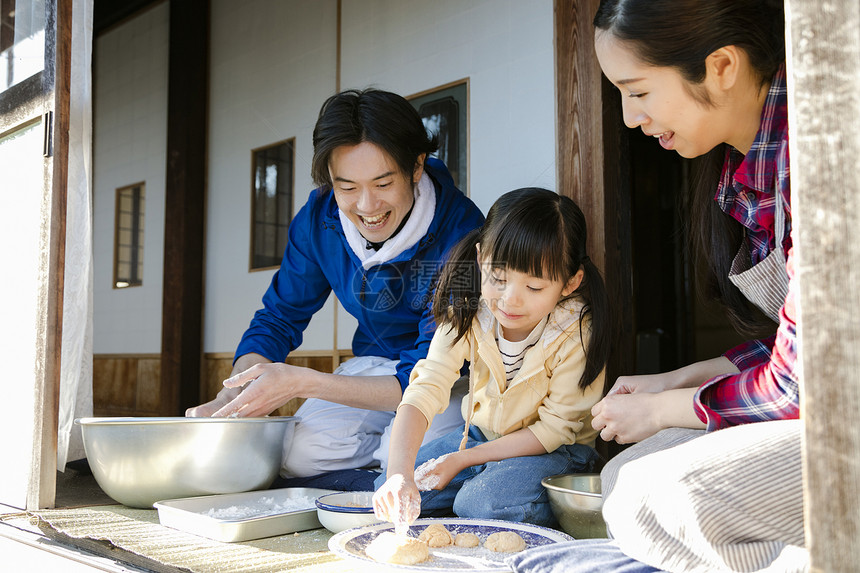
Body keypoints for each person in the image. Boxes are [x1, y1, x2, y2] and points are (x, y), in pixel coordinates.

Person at [509, 1, 807, 571]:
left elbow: (800, 386)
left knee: (658, 498)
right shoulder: (744, 173)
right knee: (624, 475)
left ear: (721, 66)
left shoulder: (815, 156)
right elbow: (792, 349)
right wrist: (681, 379)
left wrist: (667, 408)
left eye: (638, 90)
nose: (627, 117)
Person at [186, 89, 485, 481]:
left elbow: (428, 370)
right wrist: (233, 395)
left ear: (416, 167)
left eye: (382, 184)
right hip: (371, 363)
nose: (366, 206)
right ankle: (376, 469)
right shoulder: (319, 220)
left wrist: (303, 382)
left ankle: (384, 471)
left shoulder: (461, 231)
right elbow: (278, 318)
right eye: (347, 187)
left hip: (445, 377)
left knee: (414, 459)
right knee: (297, 457)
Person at [372, 187, 611, 528]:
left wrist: (463, 460)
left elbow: (554, 430)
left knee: (483, 503)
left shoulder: (575, 329)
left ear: (570, 283)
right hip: (483, 437)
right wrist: (399, 473)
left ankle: (490, 492)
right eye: (498, 278)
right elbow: (426, 387)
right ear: (481, 258)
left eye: (534, 288)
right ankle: (480, 485)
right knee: (389, 490)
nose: (510, 300)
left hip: (556, 451)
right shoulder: (467, 310)